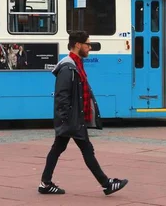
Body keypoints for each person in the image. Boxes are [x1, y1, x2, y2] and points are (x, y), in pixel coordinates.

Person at [38, 31, 128, 196]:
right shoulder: (68, 67)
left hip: (74, 117)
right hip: (72, 119)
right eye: (87, 44)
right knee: (86, 149)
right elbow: (61, 96)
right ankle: (106, 184)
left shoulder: (76, 64)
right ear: (78, 45)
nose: (89, 47)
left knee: (58, 148)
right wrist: (66, 119)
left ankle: (45, 183)